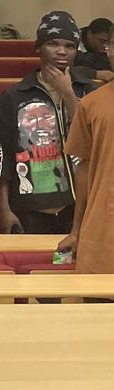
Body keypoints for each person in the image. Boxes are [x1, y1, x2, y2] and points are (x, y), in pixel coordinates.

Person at [0, 11, 86, 234]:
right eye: (53, 43)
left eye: (70, 46)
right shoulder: (14, 96)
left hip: (79, 207)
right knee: (34, 266)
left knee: (65, 266)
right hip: (29, 206)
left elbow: (93, 138)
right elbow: (0, 153)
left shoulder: (89, 92)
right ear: (39, 47)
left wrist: (68, 94)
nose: (62, 51)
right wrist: (3, 208)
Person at [61, 33, 114, 272]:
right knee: (97, 305)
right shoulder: (91, 104)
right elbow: (84, 167)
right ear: (108, 50)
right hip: (103, 225)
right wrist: (76, 230)